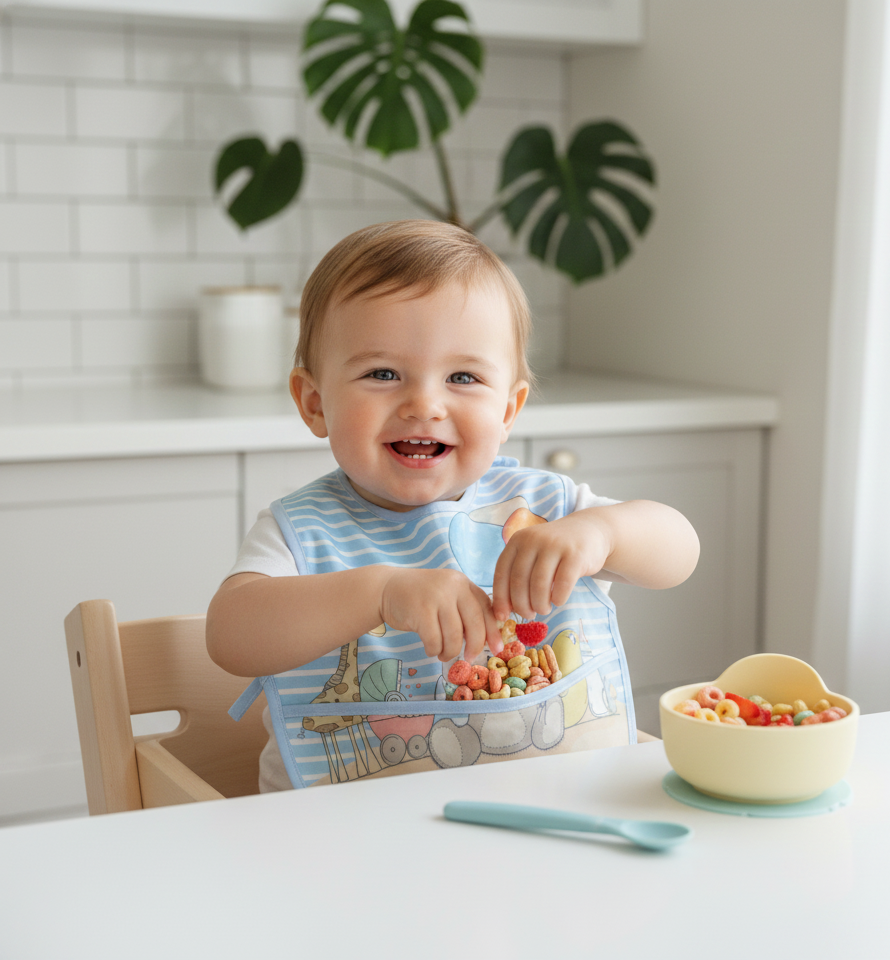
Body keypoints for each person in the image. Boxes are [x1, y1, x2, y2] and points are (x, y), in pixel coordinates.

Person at [207, 220, 700, 791]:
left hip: (550, 819)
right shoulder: (302, 531)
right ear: (315, 403)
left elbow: (680, 551)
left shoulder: (547, 509)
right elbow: (230, 637)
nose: (425, 403)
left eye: (463, 376)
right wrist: (382, 592)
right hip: (352, 842)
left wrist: (602, 534)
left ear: (509, 410)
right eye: (382, 373)